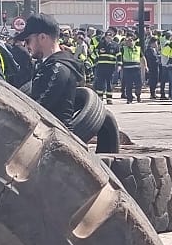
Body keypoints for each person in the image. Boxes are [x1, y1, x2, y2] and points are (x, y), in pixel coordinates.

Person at [16, 14, 121, 154]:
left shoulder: (58, 68)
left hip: (57, 145)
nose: (26, 45)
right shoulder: (49, 65)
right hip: (47, 140)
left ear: (42, 37)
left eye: (28, 40)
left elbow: (39, 107)